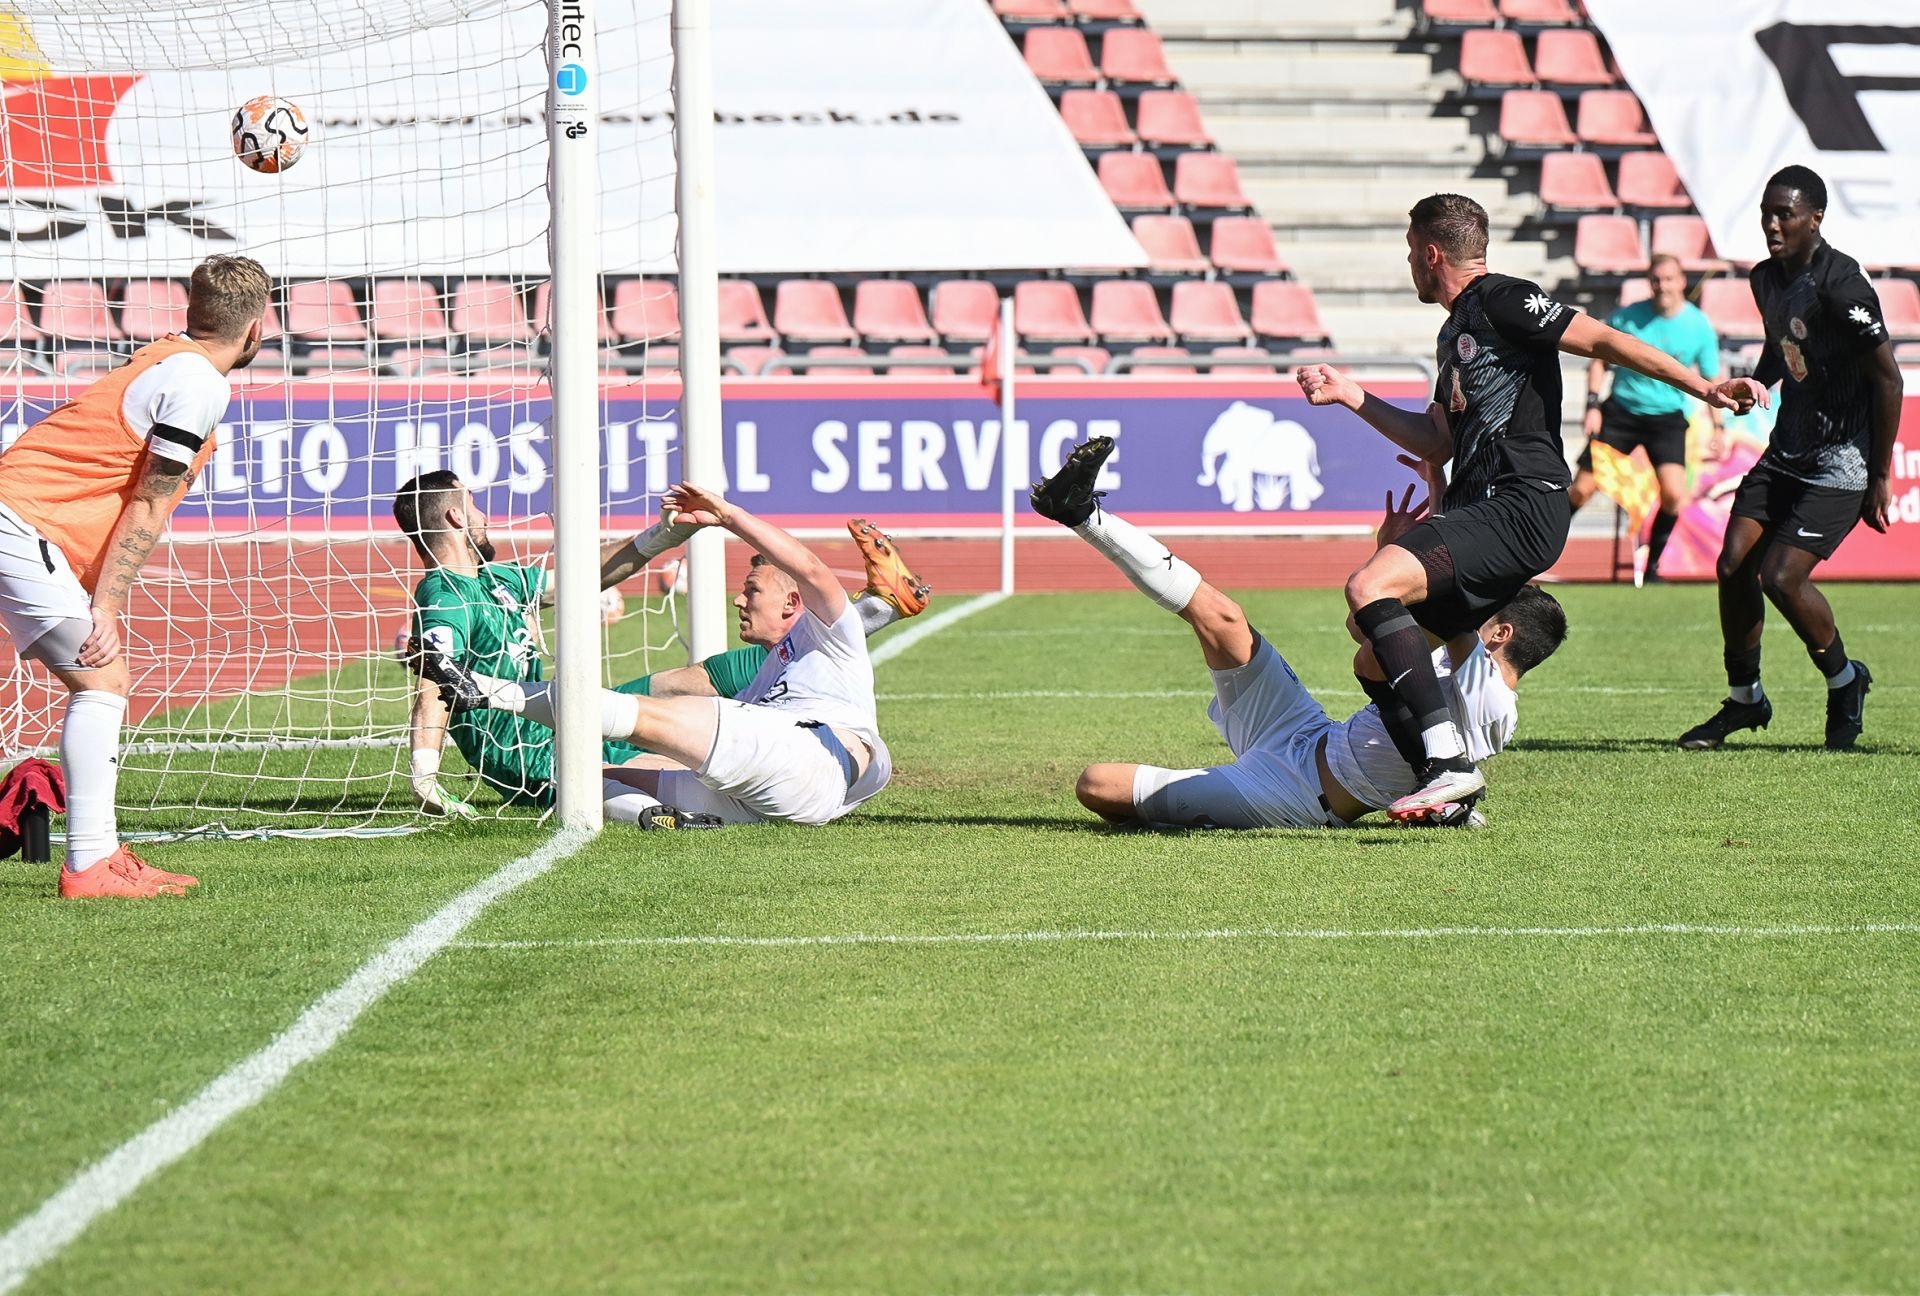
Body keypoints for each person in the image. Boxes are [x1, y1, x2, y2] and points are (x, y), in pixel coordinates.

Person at [1294, 193, 1763, 822]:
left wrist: (1704, 388)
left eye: (1411, 251)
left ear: (1432, 254)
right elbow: (1437, 440)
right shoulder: (1454, 330)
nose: (1409, 262)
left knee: (1369, 583)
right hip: (1489, 509)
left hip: (1522, 504)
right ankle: (1452, 802)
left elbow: (1602, 340)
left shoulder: (1502, 298)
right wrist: (1354, 396)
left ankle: (1448, 766)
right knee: (1370, 652)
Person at [1030, 436, 1566, 829]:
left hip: (1294, 794)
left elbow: (1456, 599)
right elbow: (1365, 634)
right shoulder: (1461, 662)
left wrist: (1449, 543)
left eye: (1488, 608)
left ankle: (1190, 809)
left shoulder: (1494, 706)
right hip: (1306, 730)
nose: (1476, 605)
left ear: (1501, 634)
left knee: (1096, 783)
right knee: (1224, 618)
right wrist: (1398, 545)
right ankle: (1081, 512)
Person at [394, 469, 927, 823]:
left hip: (548, 711)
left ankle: (860, 618)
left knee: (681, 684)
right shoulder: (443, 593)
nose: (485, 515)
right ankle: (864, 616)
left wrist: (663, 536)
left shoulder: (501, 580)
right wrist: (424, 774)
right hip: (525, 745)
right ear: (457, 517)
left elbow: (588, 576)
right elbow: (435, 683)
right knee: (650, 722)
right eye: (475, 504)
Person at [0, 255, 269, 897]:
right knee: (103, 676)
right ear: (258, 329)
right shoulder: (201, 384)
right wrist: (109, 606)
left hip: (21, 514)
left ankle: (102, 854)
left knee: (101, 678)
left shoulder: (169, 353)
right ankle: (91, 863)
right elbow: (149, 500)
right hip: (20, 521)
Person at [1678, 166, 1896, 752]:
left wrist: (1879, 475)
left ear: (1816, 218)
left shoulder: (1843, 285)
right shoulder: (1765, 279)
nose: (1772, 226)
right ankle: (1745, 700)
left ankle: (1846, 681)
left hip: (1841, 461)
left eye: (1786, 215)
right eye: (1766, 215)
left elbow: (1889, 380)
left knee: (1780, 576)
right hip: (1788, 448)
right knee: (1732, 566)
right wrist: (1759, 381)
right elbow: (1785, 345)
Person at [1568, 253, 1726, 581]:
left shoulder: (1698, 326)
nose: (1662, 286)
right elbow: (1597, 360)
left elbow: (1712, 379)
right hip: (1621, 412)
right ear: (1649, 283)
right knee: (1581, 489)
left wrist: (1719, 425)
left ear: (1682, 281)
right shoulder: (1627, 318)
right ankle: (1538, 551)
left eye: (1669, 279)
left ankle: (1653, 565)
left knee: (1674, 495)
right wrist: (1593, 405)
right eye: (1656, 279)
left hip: (1666, 418)